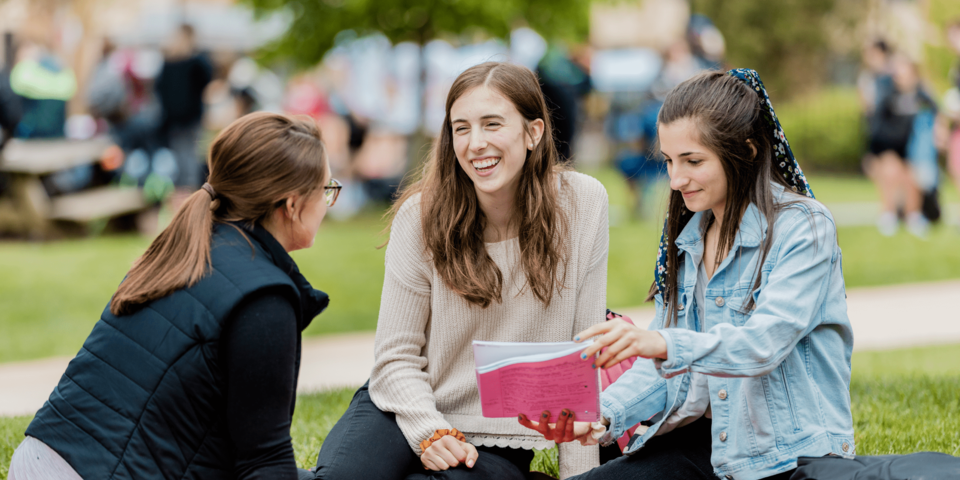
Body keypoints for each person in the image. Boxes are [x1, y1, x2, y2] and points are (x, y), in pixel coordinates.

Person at [519, 69, 855, 480]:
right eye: (669, 161)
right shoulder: (690, 237)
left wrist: (660, 342)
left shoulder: (804, 226)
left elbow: (762, 344)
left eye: (693, 161)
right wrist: (602, 415)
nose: (676, 180)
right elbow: (667, 367)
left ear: (746, 151)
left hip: (789, 458)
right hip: (709, 445)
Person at [310, 62, 610, 479]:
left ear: (533, 132)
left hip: (496, 434)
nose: (475, 143)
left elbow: (582, 357)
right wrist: (430, 432)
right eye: (461, 128)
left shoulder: (582, 204)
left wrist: (580, 476)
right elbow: (395, 357)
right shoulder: (421, 217)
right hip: (404, 406)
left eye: (492, 124)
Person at [8, 112, 340, 480]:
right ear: (292, 205)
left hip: (41, 459)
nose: (329, 203)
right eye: (327, 190)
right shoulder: (263, 298)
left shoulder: (183, 248)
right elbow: (263, 462)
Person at [866, 54, 937, 237]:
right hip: (888, 149)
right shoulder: (888, 97)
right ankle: (888, 215)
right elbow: (876, 129)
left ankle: (913, 216)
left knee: (913, 175)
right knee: (891, 170)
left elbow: (934, 118)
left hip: (913, 153)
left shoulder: (923, 98)